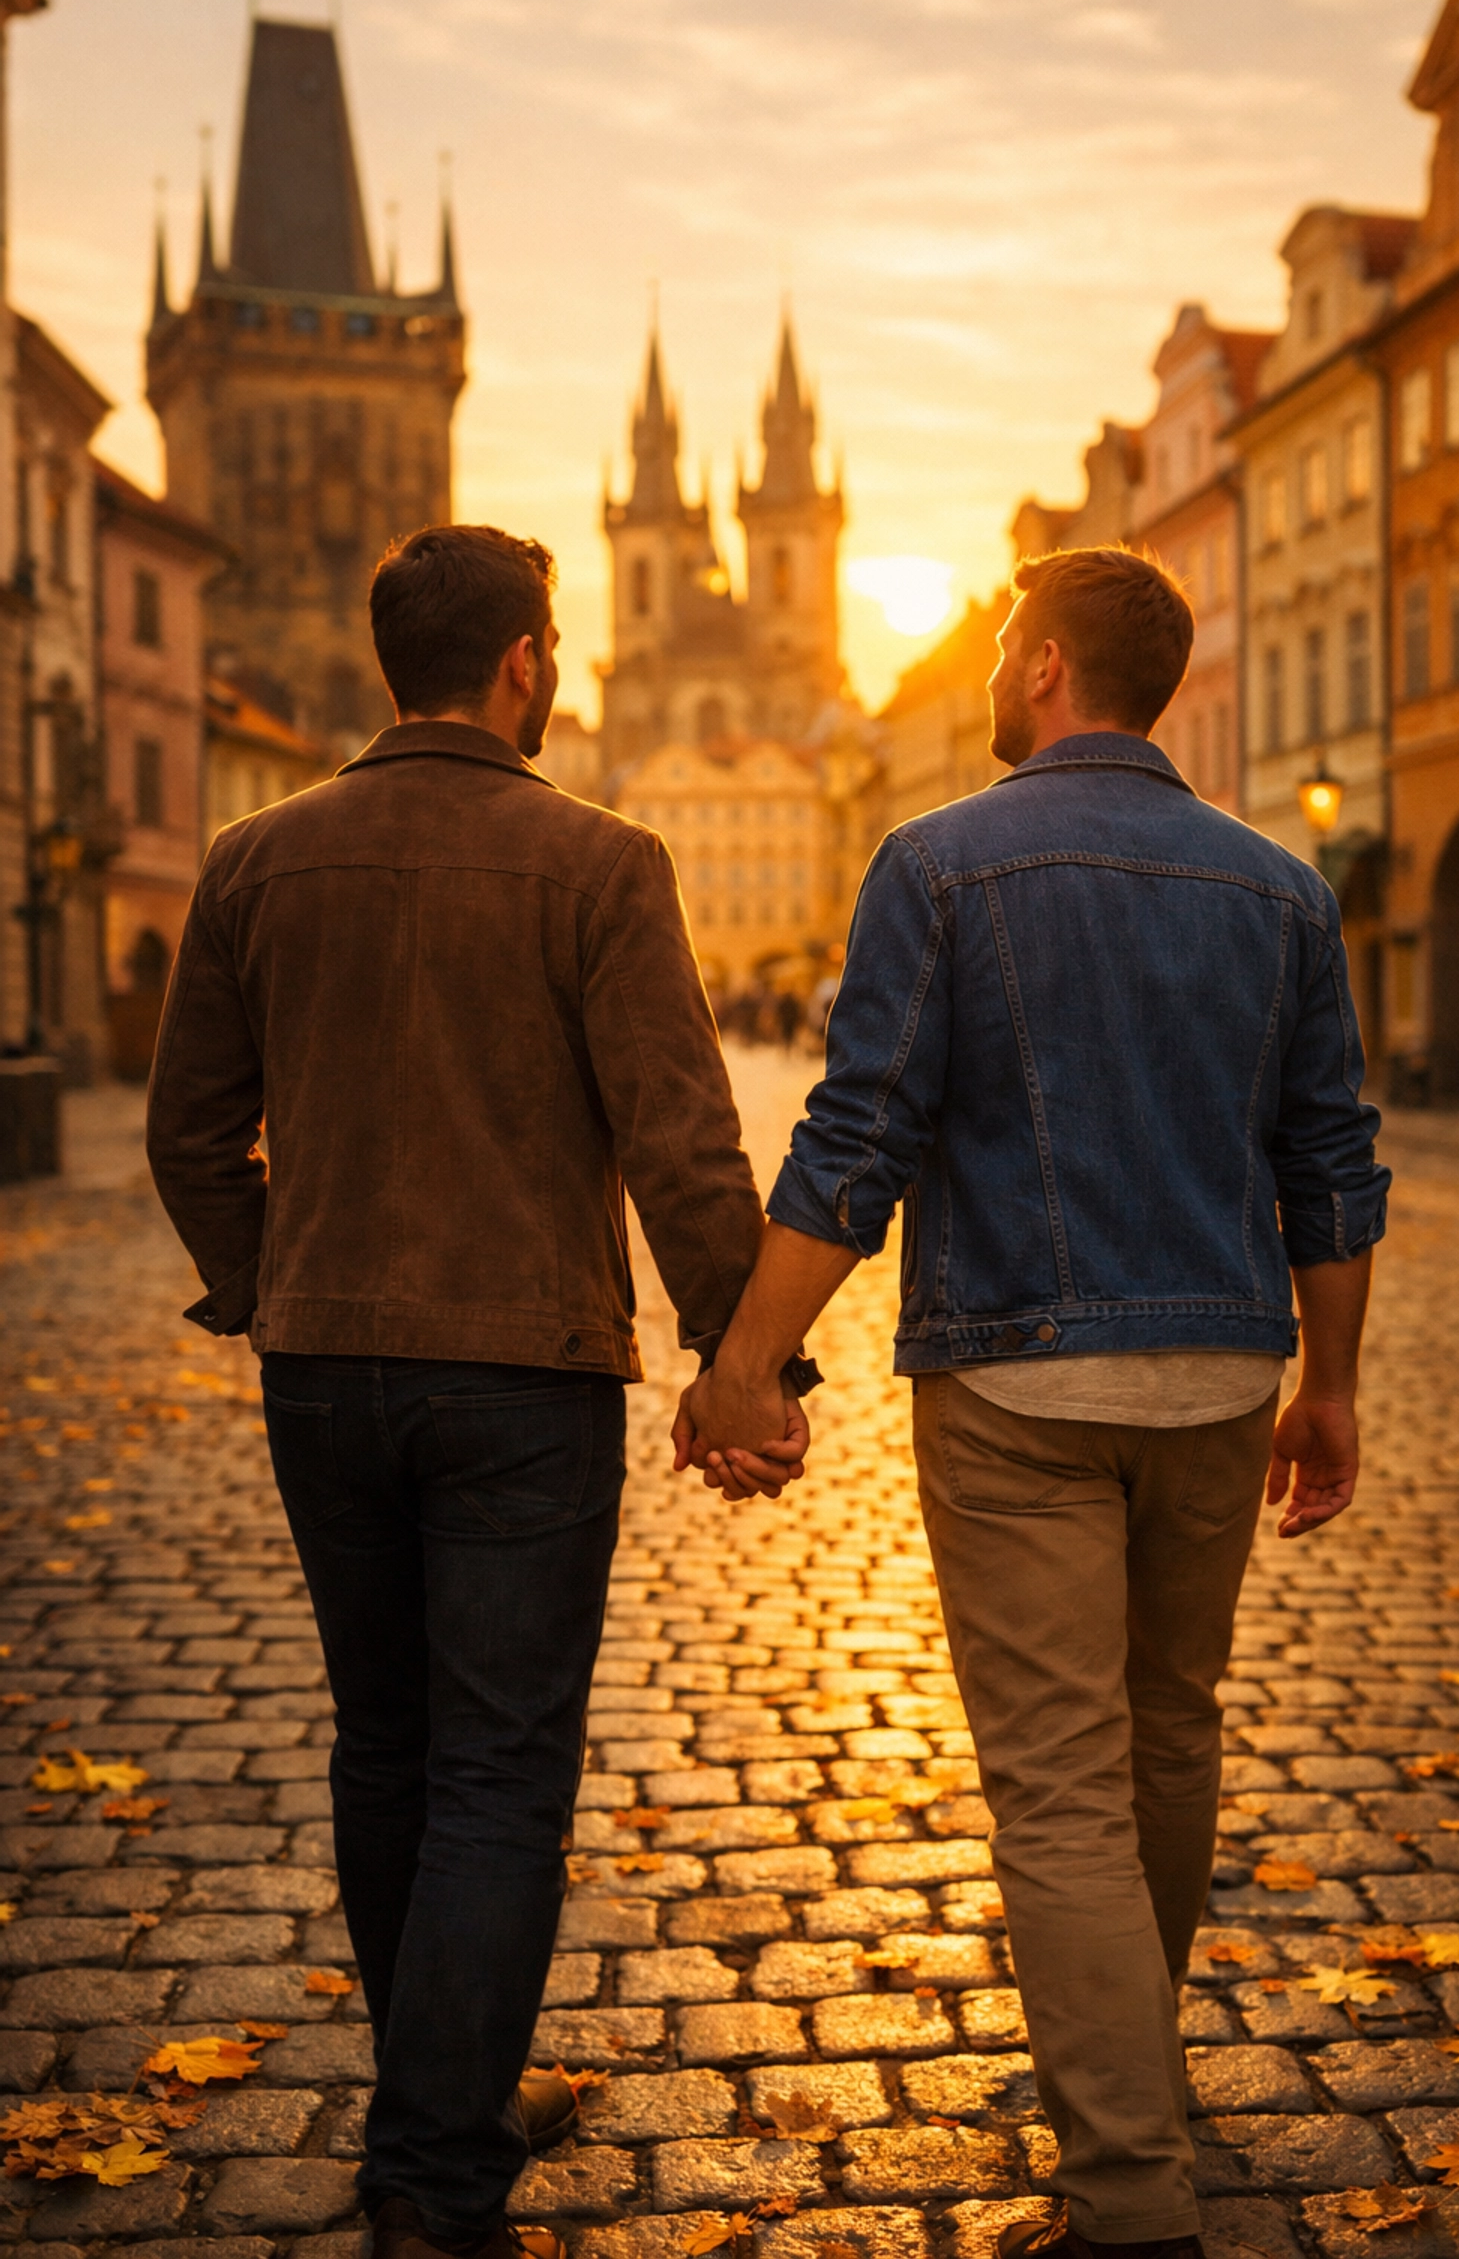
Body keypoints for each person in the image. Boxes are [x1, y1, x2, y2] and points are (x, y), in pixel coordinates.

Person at [676, 545, 1389, 2259]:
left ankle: (1131, 2194)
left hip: (1015, 1373)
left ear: (1051, 662)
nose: (992, 669)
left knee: (1063, 1781)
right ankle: (1125, 2054)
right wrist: (1335, 1385)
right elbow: (1331, 1162)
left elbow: (859, 1141)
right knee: (1172, 1727)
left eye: (1003, 645)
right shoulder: (1284, 889)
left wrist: (745, 1364)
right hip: (1223, 1373)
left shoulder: (935, 863)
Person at [146, 524, 809, 2259]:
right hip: (524, 1376)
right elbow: (681, 1139)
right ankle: (436, 2167)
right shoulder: (600, 859)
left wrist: (264, 1276)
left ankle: (446, 2080)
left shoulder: (251, 859)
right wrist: (745, 1360)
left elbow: (188, 1132)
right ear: (525, 662)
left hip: (326, 1373)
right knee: (503, 1767)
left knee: (389, 1746)